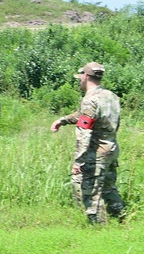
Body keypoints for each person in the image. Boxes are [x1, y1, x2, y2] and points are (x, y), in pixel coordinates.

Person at [50, 62, 125, 224]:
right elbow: (84, 115)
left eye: (80, 78)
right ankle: (121, 219)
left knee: (90, 191)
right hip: (112, 148)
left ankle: (99, 228)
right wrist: (62, 120)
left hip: (96, 152)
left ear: (85, 76)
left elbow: (84, 133)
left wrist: (79, 161)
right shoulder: (111, 96)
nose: (79, 81)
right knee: (109, 187)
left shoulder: (90, 100)